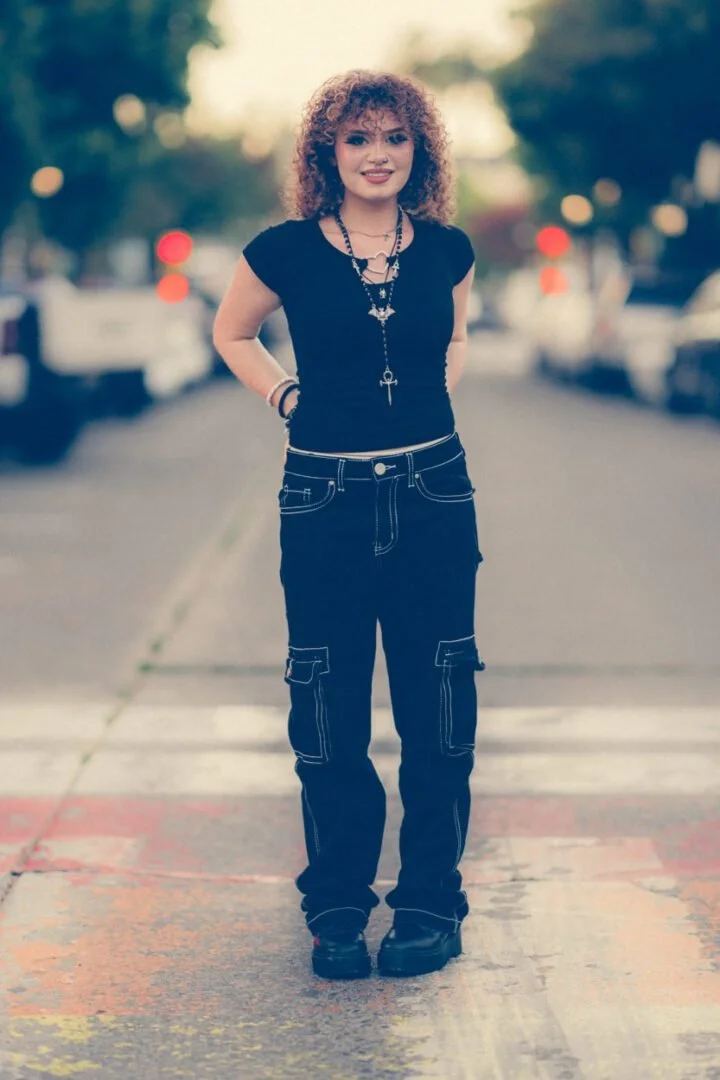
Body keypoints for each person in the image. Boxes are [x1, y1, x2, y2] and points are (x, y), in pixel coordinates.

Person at [212, 69, 485, 980]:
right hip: (323, 497)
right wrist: (286, 394)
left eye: (396, 137)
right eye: (359, 138)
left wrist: (430, 400)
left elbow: (454, 338)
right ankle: (335, 908)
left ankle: (428, 908)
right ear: (327, 153)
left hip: (432, 496)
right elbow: (232, 334)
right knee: (327, 711)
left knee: (438, 707)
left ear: (421, 151)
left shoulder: (447, 250)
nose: (379, 155)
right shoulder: (282, 251)